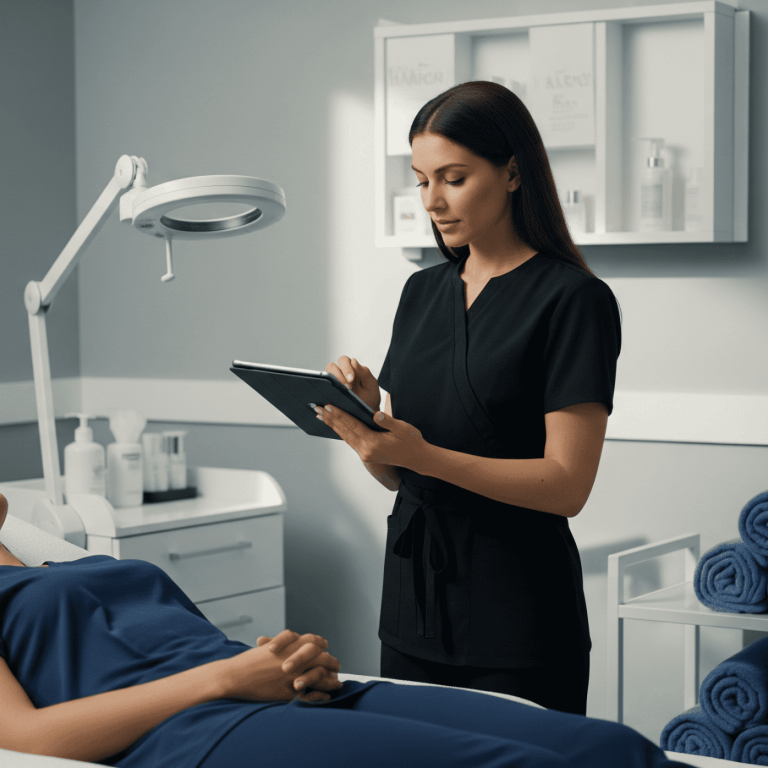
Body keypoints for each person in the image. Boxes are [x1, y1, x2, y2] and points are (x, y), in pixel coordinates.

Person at [320, 80, 621, 715]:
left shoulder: (573, 300)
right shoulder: (420, 293)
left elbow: (567, 486)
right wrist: (365, 425)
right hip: (413, 605)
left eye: (453, 178)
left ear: (512, 173)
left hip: (519, 614)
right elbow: (402, 476)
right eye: (421, 179)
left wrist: (423, 456)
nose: (432, 200)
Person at [0, 492, 689, 768]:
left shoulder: (65, 560)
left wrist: (285, 660)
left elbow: (191, 644)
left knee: (610, 749)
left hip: (286, 693)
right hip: (197, 734)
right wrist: (227, 678)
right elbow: (25, 738)